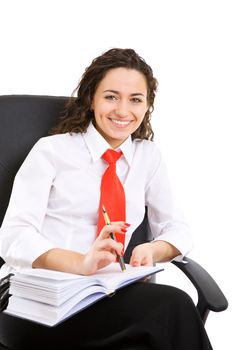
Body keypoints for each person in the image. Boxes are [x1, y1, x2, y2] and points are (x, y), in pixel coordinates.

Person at [0, 48, 212, 349]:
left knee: (157, 327)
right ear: (91, 99)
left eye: (135, 99)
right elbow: (13, 236)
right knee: (173, 307)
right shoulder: (51, 151)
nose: (123, 111)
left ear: (147, 106)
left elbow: (178, 227)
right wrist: (81, 262)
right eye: (111, 96)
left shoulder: (147, 157)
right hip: (38, 300)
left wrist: (153, 250)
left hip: (104, 294)